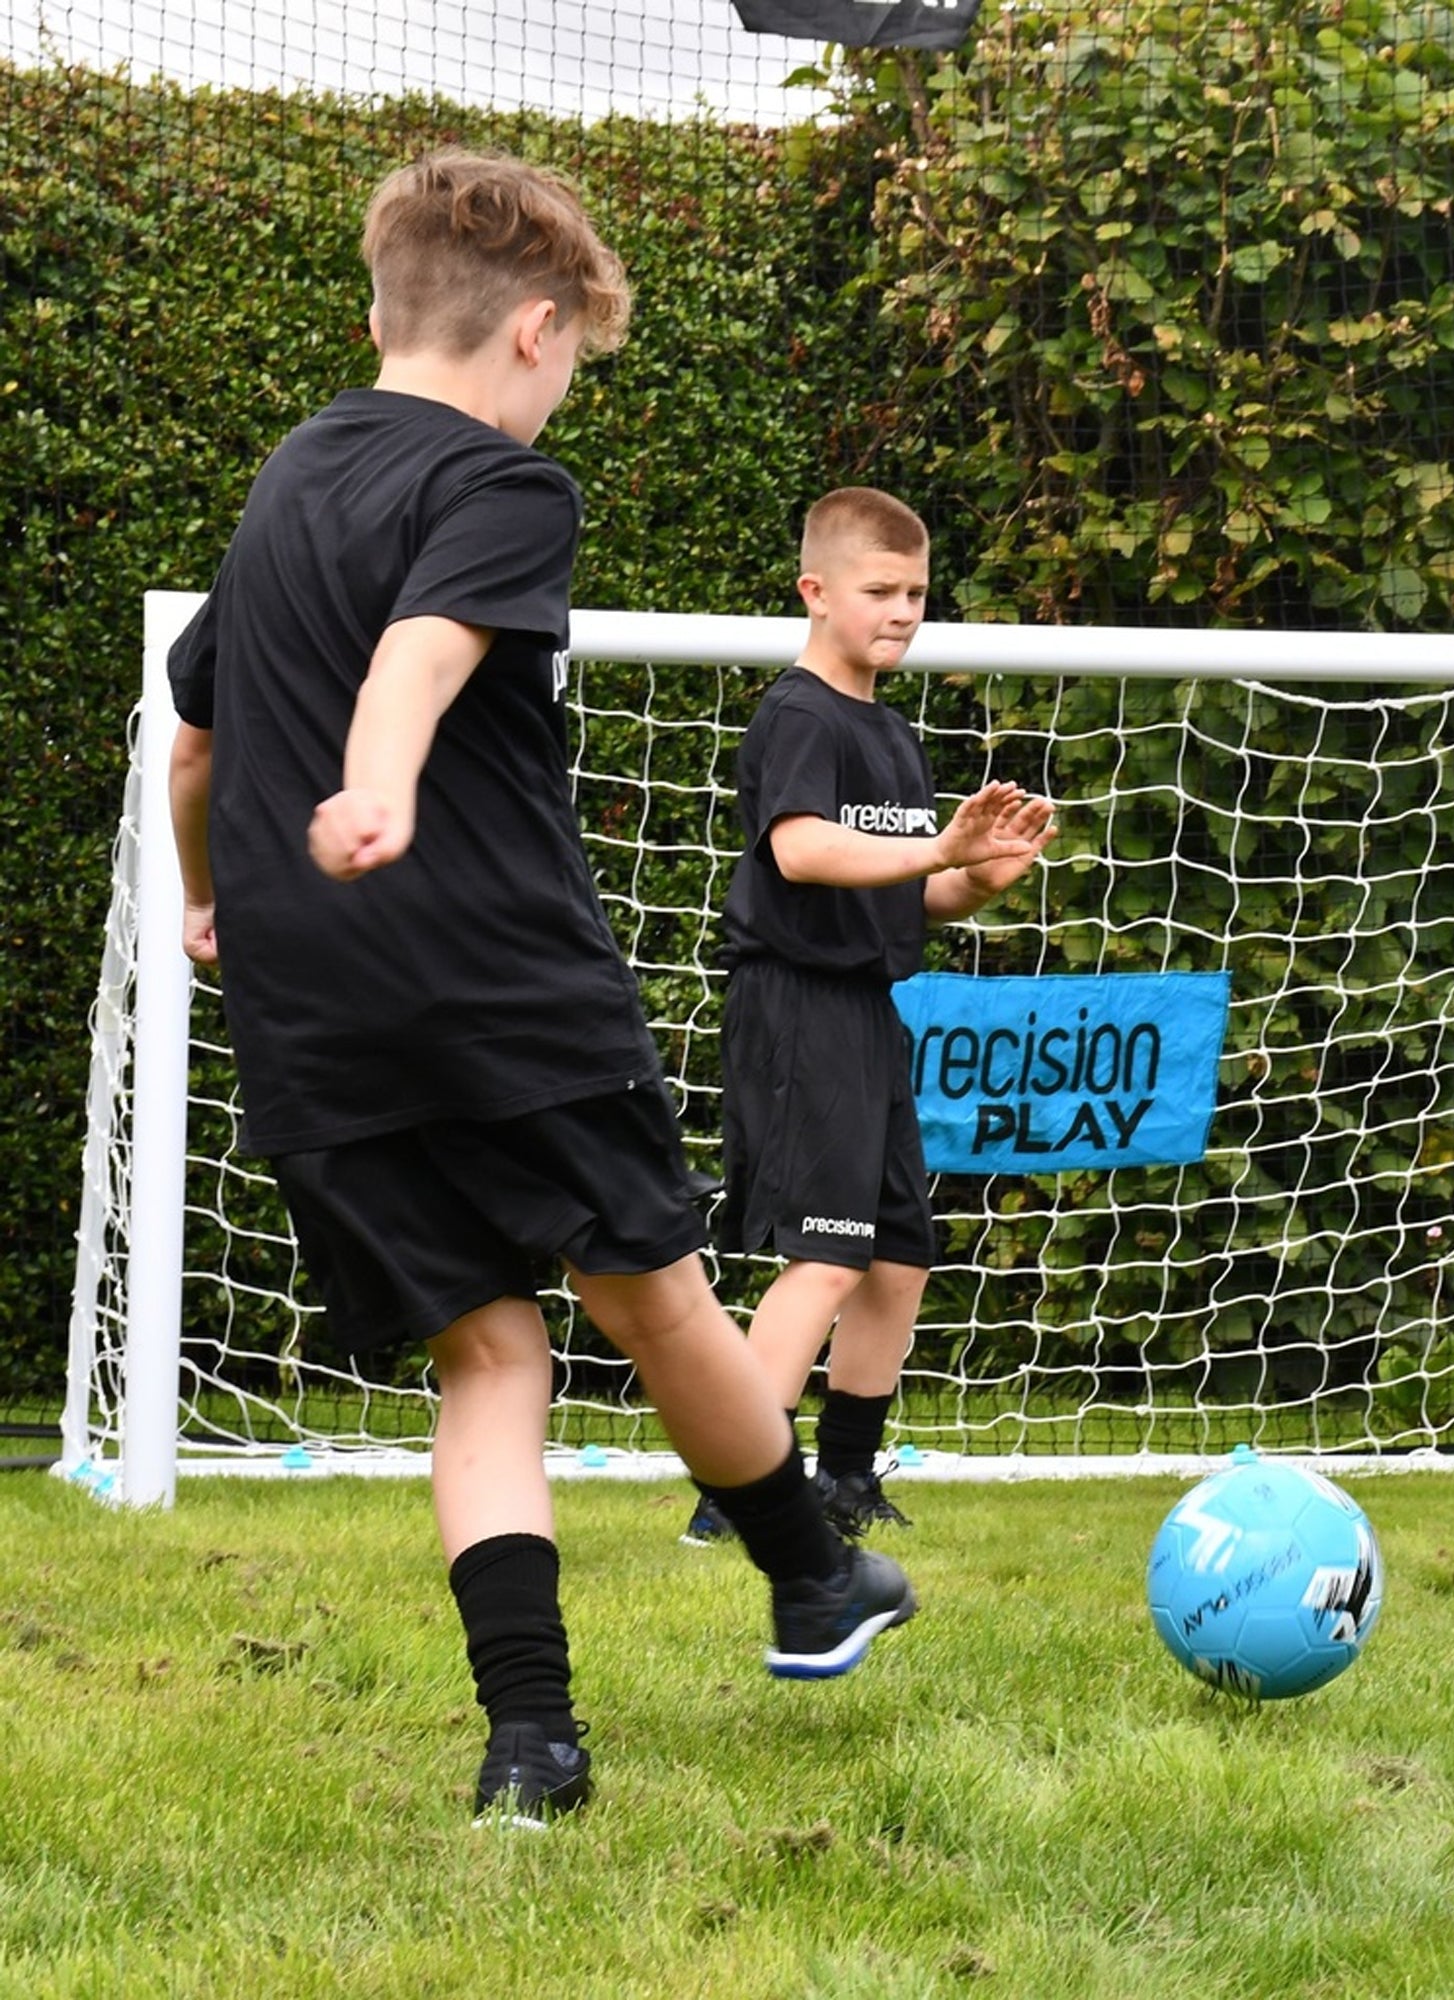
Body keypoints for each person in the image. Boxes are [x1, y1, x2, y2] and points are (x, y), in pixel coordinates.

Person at [164, 150, 913, 1830]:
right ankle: (811, 1579)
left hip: (309, 1009)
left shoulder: (284, 484)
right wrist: (378, 785)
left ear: (382, 311)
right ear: (536, 327)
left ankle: (531, 1748)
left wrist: (209, 899)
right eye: (573, 358)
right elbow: (424, 651)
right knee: (656, 1298)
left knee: (490, 1358)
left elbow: (196, 741)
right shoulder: (507, 484)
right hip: (498, 985)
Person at [683, 486, 1056, 1550]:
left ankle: (846, 1478)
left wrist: (976, 876)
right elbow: (801, 851)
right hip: (797, 1007)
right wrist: (938, 847)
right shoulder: (799, 715)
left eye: (917, 594)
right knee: (827, 1255)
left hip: (869, 1009)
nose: (901, 611)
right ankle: (737, 1492)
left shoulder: (889, 731)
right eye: (879, 590)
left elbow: (910, 891)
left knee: (897, 1258)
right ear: (815, 591)